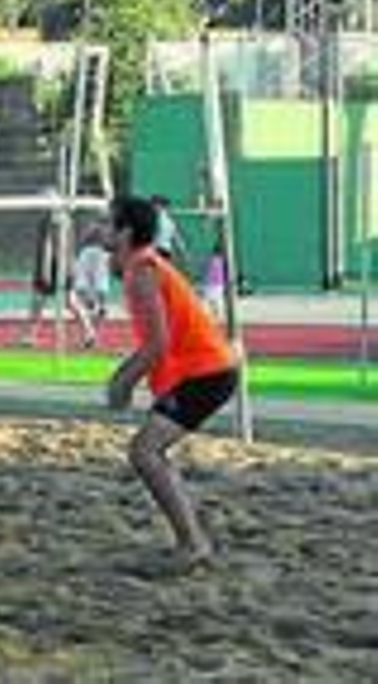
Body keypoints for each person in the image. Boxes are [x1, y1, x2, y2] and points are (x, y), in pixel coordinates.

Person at [105, 195, 239, 572]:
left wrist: (123, 381)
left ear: (125, 232)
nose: (98, 228)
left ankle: (192, 542)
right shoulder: (140, 264)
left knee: (144, 452)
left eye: (106, 222)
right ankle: (192, 537)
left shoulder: (143, 269)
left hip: (207, 372)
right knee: (149, 453)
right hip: (207, 370)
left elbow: (158, 342)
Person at [16, 206, 63, 348]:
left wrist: (45, 270)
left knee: (37, 303)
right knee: (69, 301)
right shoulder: (59, 221)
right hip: (55, 265)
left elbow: (48, 246)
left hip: (49, 267)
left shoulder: (50, 222)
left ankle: (30, 336)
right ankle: (88, 333)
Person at [68, 222, 112, 349]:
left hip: (91, 255)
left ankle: (90, 333)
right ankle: (91, 333)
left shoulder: (88, 250)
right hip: (97, 256)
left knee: (77, 298)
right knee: (94, 299)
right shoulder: (102, 246)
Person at [151, 194, 187, 264]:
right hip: (165, 251)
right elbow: (177, 237)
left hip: (157, 250)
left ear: (160, 206)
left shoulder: (157, 219)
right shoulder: (170, 221)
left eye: (154, 204)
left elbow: (176, 236)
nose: (152, 207)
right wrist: (183, 252)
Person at [201, 238, 228, 322]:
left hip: (211, 285)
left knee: (210, 303)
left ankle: (212, 318)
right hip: (214, 285)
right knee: (215, 303)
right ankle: (214, 318)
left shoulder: (211, 259)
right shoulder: (220, 261)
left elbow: (204, 270)